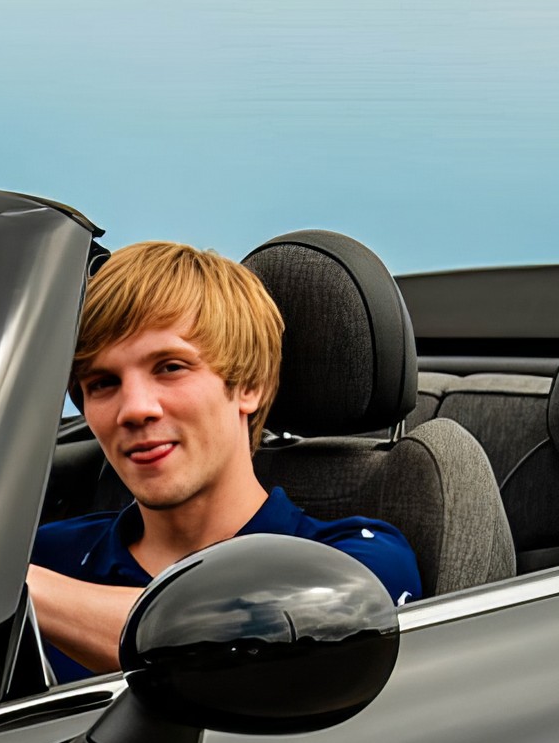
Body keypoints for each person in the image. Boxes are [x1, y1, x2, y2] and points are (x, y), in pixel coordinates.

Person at [29, 241, 422, 681]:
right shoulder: (46, 555)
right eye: (102, 383)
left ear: (248, 385)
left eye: (170, 367)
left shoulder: (359, 561)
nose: (134, 409)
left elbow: (237, 638)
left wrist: (9, 591)